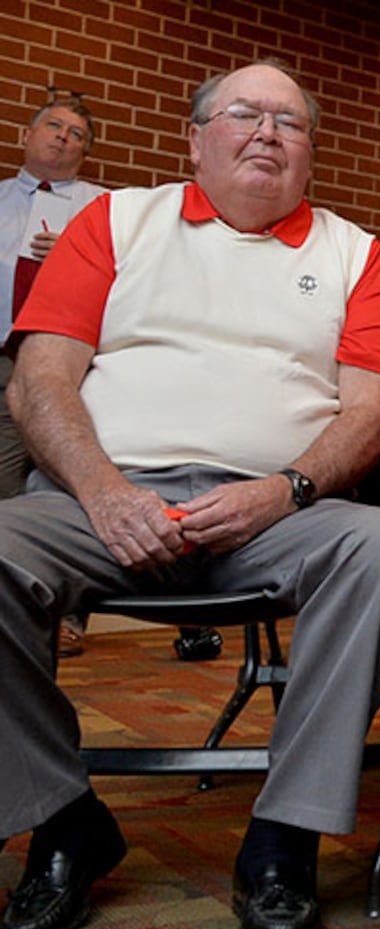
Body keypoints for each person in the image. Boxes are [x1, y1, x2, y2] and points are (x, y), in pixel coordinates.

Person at [0, 59, 380, 929]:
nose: (269, 132)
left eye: (291, 122)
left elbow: (373, 411)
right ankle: (64, 816)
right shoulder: (114, 222)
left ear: (311, 152)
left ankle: (283, 838)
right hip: (100, 501)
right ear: (196, 140)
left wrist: (285, 491)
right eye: (245, 114)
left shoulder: (356, 254)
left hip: (283, 514)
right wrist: (107, 494)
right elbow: (40, 381)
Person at [2, 94, 112, 660]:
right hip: (4, 356)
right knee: (3, 480)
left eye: (76, 133)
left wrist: (74, 254)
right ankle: (12, 607)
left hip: (72, 363)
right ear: (27, 134)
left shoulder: (104, 211)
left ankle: (69, 615)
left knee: (68, 475)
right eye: (53, 126)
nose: (63, 138)